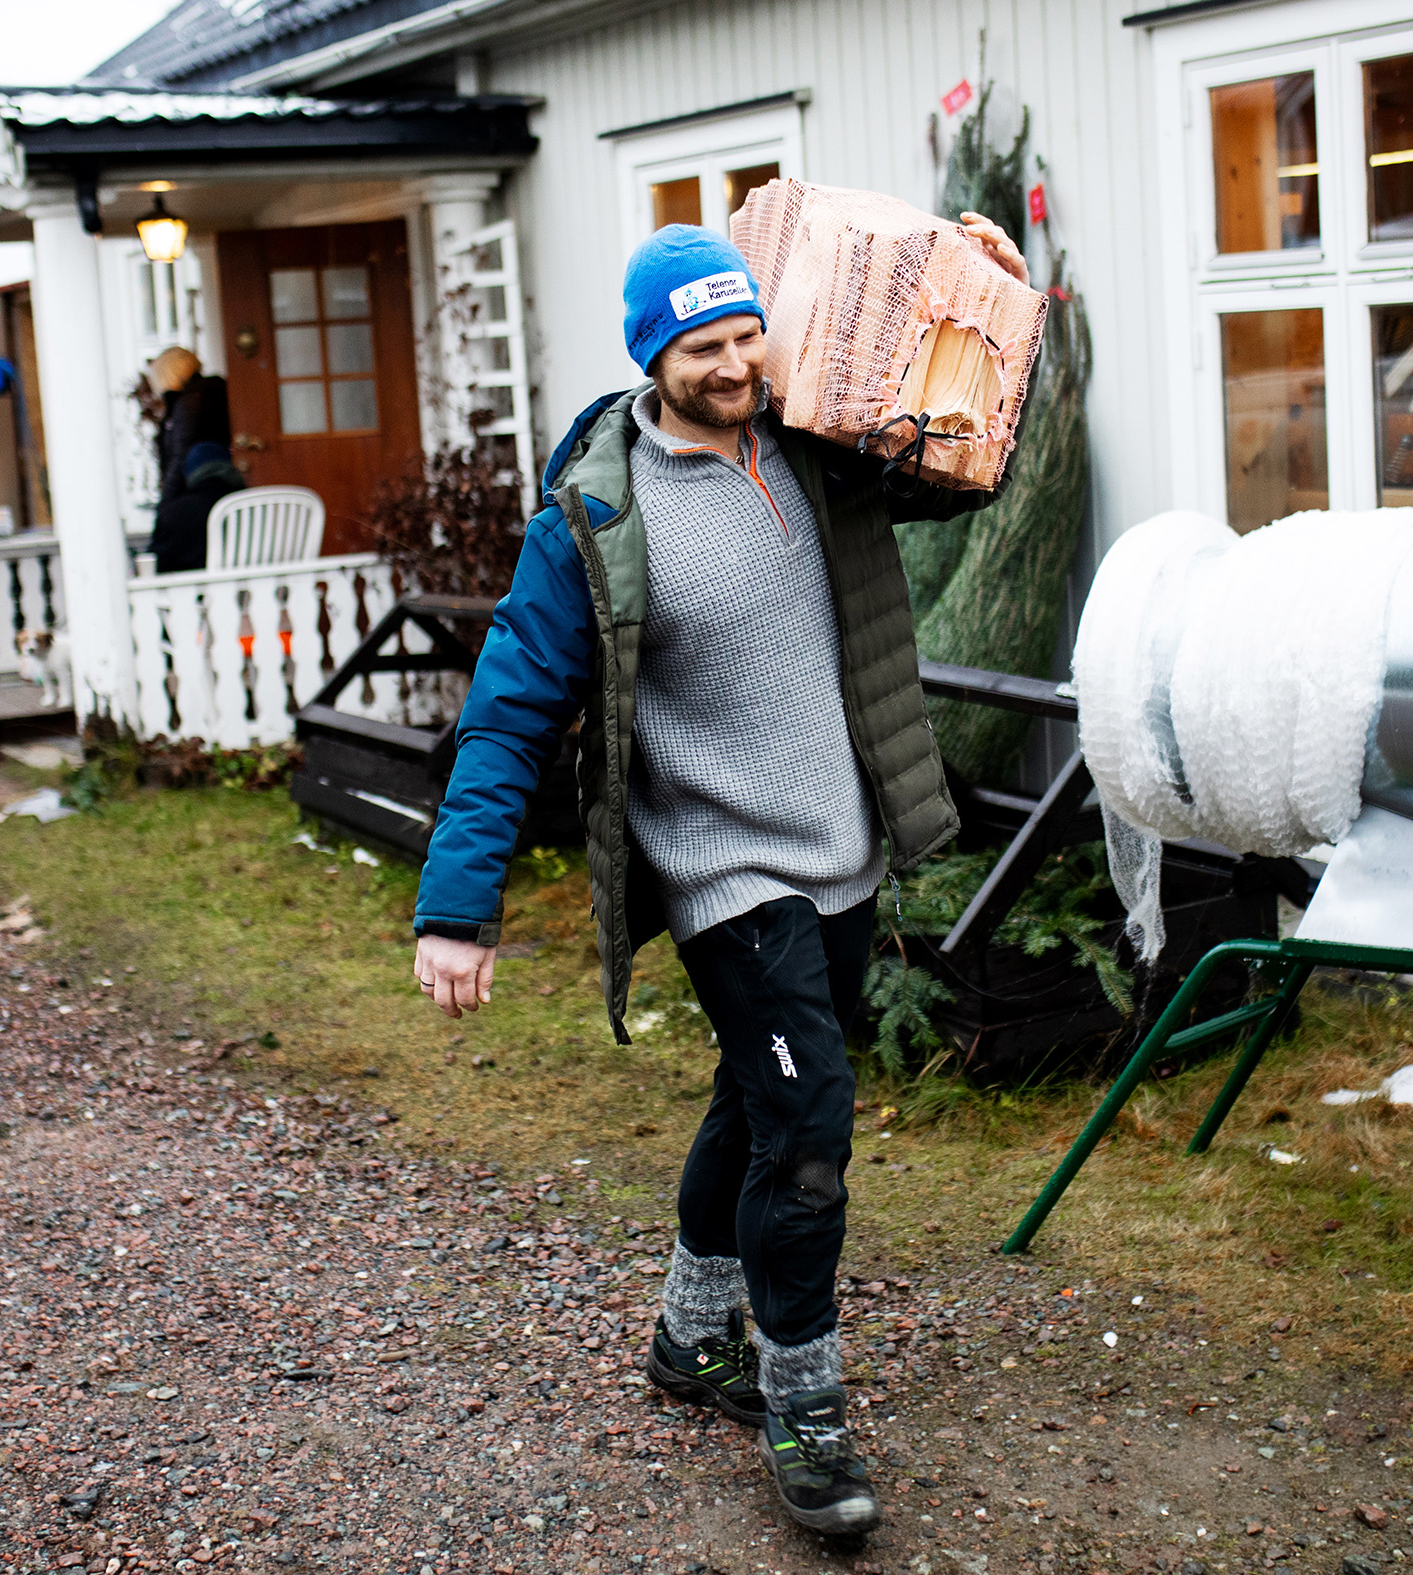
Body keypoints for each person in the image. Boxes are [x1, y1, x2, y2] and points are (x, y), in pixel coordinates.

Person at [409, 214, 1027, 1536]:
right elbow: (507, 716)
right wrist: (458, 908)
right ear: (652, 355)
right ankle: (805, 1406)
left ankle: (691, 1337)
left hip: (839, 847)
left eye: (749, 335)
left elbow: (959, 459)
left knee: (755, 1104)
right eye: (705, 346)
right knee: (806, 1133)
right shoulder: (594, 520)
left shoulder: (813, 445)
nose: (737, 363)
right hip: (723, 869)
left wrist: (981, 295)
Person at [146, 346, 231, 503]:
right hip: (216, 487)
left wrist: (166, 502)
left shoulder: (189, 404)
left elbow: (179, 456)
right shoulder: (209, 393)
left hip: (196, 492)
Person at [147, 442, 247, 574]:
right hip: (252, 584)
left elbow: (157, 563)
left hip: (192, 585)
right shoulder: (249, 506)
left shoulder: (173, 513)